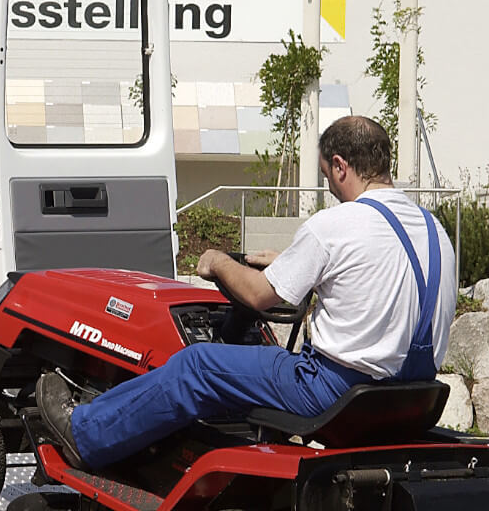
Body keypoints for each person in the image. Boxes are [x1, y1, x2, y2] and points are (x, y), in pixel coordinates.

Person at [37, 114, 458, 471]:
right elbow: (369, 284)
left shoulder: (337, 224)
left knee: (197, 365)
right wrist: (292, 264)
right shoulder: (434, 230)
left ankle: (86, 433)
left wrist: (217, 261)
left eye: (327, 175)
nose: (329, 185)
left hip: (333, 392)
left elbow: (257, 297)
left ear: (340, 164)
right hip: (407, 397)